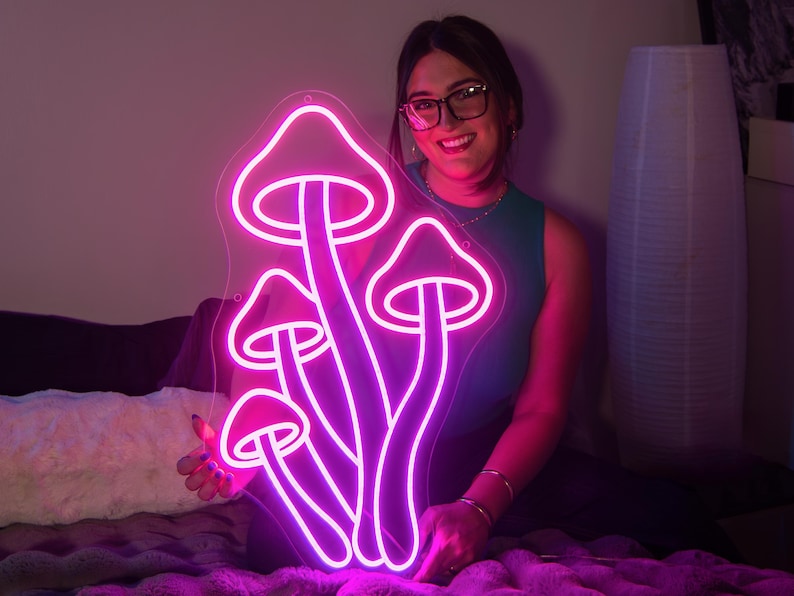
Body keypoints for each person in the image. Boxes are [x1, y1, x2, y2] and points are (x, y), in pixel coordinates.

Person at [178, 14, 734, 582]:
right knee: (282, 547)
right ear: (410, 120)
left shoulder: (556, 244)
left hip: (480, 456)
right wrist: (245, 448)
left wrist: (478, 508)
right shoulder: (348, 207)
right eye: (423, 104)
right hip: (352, 457)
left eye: (466, 94)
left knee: (678, 517)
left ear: (510, 106)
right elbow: (272, 355)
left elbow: (542, 408)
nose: (446, 120)